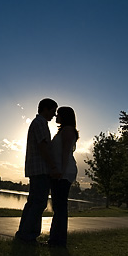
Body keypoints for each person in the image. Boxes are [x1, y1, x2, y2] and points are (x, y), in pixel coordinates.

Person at [15, 98, 61, 244]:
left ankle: (24, 233)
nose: (54, 116)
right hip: (40, 169)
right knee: (38, 203)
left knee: (33, 202)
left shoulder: (38, 123)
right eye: (53, 111)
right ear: (45, 109)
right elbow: (43, 146)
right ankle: (28, 235)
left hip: (36, 169)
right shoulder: (40, 123)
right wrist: (53, 166)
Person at [48, 106, 79, 247]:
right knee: (59, 207)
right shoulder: (64, 130)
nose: (56, 116)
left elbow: (65, 152)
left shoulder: (67, 130)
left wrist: (61, 171)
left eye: (58, 114)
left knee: (60, 207)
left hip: (64, 173)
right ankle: (56, 240)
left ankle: (57, 241)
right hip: (62, 172)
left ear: (64, 116)